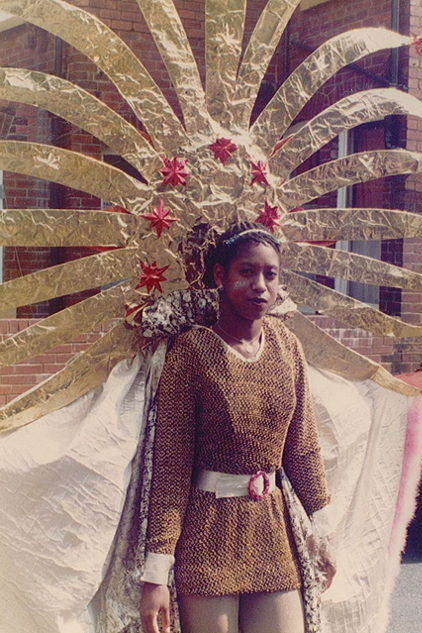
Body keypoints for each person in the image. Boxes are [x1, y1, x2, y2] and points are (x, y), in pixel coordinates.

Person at [138, 223, 334, 633]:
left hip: (271, 533)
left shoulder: (287, 348)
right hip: (207, 535)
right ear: (220, 277)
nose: (260, 285)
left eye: (270, 274)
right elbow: (171, 469)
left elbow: (301, 450)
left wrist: (326, 533)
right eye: (246, 272)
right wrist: (156, 572)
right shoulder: (192, 352)